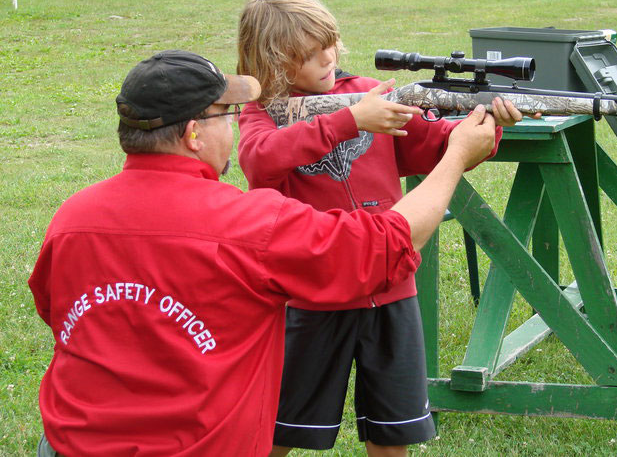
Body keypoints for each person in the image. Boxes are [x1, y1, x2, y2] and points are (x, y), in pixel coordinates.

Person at [29, 50, 500, 456]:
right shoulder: (249, 225)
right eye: (228, 116)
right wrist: (456, 157)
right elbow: (386, 244)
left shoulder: (72, 217)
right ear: (195, 134)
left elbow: (59, 310)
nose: (236, 127)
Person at [236, 0, 529, 456]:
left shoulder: (369, 94)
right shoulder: (263, 115)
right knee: (277, 432)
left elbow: (434, 144)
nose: (327, 58)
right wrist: (349, 120)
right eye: (308, 54)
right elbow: (260, 159)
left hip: (391, 285)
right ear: (271, 61)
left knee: (393, 433)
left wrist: (486, 129)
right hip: (312, 297)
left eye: (328, 43)